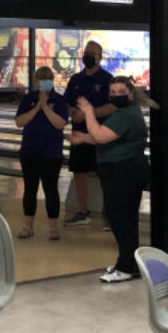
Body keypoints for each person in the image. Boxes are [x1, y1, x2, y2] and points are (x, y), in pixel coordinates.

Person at [71, 76, 153, 283]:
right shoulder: (125, 112)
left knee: (120, 220)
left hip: (122, 171)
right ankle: (129, 262)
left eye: (121, 92)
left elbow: (100, 136)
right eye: (113, 92)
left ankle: (126, 267)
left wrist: (89, 112)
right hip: (126, 169)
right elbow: (108, 136)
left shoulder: (124, 114)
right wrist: (83, 138)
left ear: (131, 93)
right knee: (125, 219)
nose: (117, 96)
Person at [14, 66, 69, 241]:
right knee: (30, 188)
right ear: (36, 81)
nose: (43, 82)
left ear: (52, 81)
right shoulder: (28, 99)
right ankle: (28, 227)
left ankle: (53, 229)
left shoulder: (59, 101)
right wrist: (38, 105)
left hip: (51, 153)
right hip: (29, 151)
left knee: (50, 189)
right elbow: (20, 122)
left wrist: (45, 106)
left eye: (47, 79)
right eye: (40, 79)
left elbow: (60, 124)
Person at [63, 40, 114, 227]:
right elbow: (67, 102)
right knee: (79, 173)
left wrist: (87, 114)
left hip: (100, 136)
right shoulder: (76, 79)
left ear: (100, 57)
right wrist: (72, 112)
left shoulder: (108, 79)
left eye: (93, 53)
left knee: (106, 177)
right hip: (79, 136)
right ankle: (83, 212)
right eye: (86, 52)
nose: (88, 56)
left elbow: (112, 106)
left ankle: (111, 216)